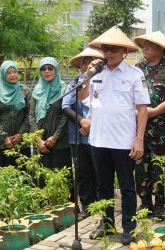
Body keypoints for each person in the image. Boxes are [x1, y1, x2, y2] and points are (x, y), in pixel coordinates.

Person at [86, 26, 150, 245]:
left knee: (127, 187)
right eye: (105, 48)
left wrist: (139, 139)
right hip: (98, 140)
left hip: (123, 142)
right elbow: (84, 97)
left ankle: (129, 228)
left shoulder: (135, 74)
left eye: (113, 48)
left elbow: (142, 108)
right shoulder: (96, 73)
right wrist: (87, 75)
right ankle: (106, 223)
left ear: (124, 51)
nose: (108, 53)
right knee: (102, 186)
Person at [133, 31, 165, 219]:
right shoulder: (136, 69)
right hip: (139, 129)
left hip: (162, 129)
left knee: (161, 165)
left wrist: (155, 111)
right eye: (144, 45)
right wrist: (138, 113)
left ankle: (159, 204)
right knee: (140, 165)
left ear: (160, 49)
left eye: (149, 45)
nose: (145, 48)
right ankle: (145, 204)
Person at [62, 47, 104, 218]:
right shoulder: (74, 83)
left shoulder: (104, 80)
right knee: (83, 172)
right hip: (78, 136)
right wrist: (82, 121)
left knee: (100, 171)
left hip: (99, 134)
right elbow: (65, 106)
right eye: (83, 62)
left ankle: (102, 205)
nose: (87, 65)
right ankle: (87, 206)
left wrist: (91, 123)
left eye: (91, 60)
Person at [29, 57, 72, 197]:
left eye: (50, 68)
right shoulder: (36, 90)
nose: (46, 71)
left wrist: (55, 136)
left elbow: (66, 115)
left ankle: (68, 211)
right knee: (41, 178)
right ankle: (45, 211)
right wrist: (38, 139)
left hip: (60, 142)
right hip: (40, 143)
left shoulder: (64, 88)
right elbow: (31, 116)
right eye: (43, 69)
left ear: (56, 70)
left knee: (63, 176)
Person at [0, 60, 31, 168]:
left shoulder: (25, 91)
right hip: (3, 143)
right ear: (3, 75)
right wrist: (5, 137)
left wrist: (20, 134)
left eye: (15, 72)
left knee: (24, 175)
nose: (13, 75)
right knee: (3, 176)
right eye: (9, 73)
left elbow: (29, 115)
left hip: (22, 142)